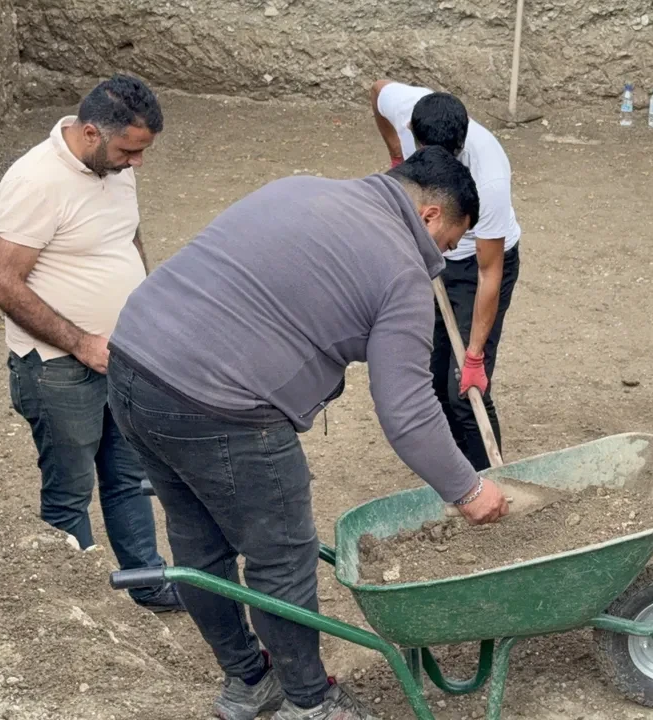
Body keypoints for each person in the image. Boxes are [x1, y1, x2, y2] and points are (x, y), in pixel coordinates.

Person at [105, 146, 512, 720]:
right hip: (223, 405)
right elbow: (407, 409)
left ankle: (249, 682)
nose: (440, 260)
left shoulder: (300, 187)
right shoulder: (401, 270)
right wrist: (468, 490)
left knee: (199, 546)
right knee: (282, 559)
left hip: (132, 366)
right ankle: (309, 703)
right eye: (446, 244)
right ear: (428, 216)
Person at [0, 74, 182, 613]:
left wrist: (144, 311)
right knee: (70, 493)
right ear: (92, 132)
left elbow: (128, 236)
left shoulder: (113, 166)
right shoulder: (35, 180)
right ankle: (80, 613)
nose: (137, 162)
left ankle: (146, 582)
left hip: (121, 357)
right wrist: (81, 343)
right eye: (130, 150)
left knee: (128, 476)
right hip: (56, 368)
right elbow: (2, 282)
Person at [371, 79, 522, 470]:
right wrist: (393, 153)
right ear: (413, 135)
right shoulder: (407, 109)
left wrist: (474, 358)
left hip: (478, 266)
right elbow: (377, 90)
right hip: (430, 252)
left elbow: (490, 272)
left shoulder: (489, 177)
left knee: (465, 388)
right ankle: (457, 479)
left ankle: (491, 481)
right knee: (434, 380)